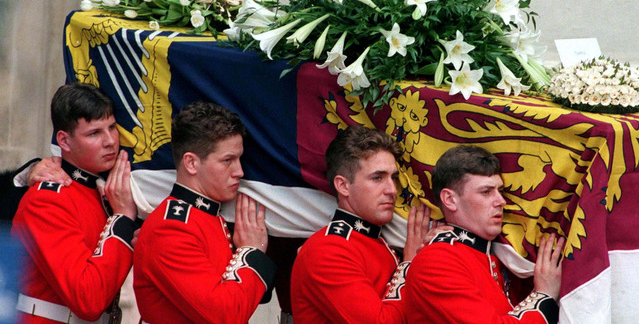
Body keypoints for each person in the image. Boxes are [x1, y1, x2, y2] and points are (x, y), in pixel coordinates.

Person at [133, 101, 276, 323]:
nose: (239, 171)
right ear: (191, 163)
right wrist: (251, 252)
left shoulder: (209, 216)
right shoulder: (170, 229)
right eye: (227, 160)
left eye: (239, 159)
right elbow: (224, 316)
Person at [12, 82, 138, 323]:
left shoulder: (103, 193)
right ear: (64, 141)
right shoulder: (47, 200)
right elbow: (87, 298)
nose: (110, 141)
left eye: (112, 127)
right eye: (94, 133)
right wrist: (122, 219)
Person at [290, 125, 441, 323]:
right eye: (377, 178)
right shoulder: (327, 250)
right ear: (343, 186)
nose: (392, 190)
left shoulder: (375, 242)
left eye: (394, 178)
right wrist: (410, 264)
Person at [406, 145, 563, 324]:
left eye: (500, 191)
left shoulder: (503, 259)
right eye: (486, 192)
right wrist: (544, 296)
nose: (501, 201)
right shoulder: (436, 260)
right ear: (450, 199)